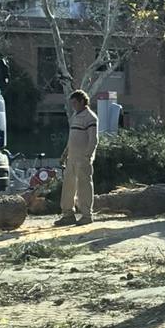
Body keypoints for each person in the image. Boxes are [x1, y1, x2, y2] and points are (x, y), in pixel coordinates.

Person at [55, 89, 99, 226]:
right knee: (68, 186)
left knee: (84, 187)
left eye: (75, 102)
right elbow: (71, 139)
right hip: (72, 158)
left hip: (83, 159)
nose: (73, 105)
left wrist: (87, 156)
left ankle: (87, 215)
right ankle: (68, 214)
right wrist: (64, 155)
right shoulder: (75, 116)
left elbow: (94, 140)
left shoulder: (90, 117)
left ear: (82, 101)